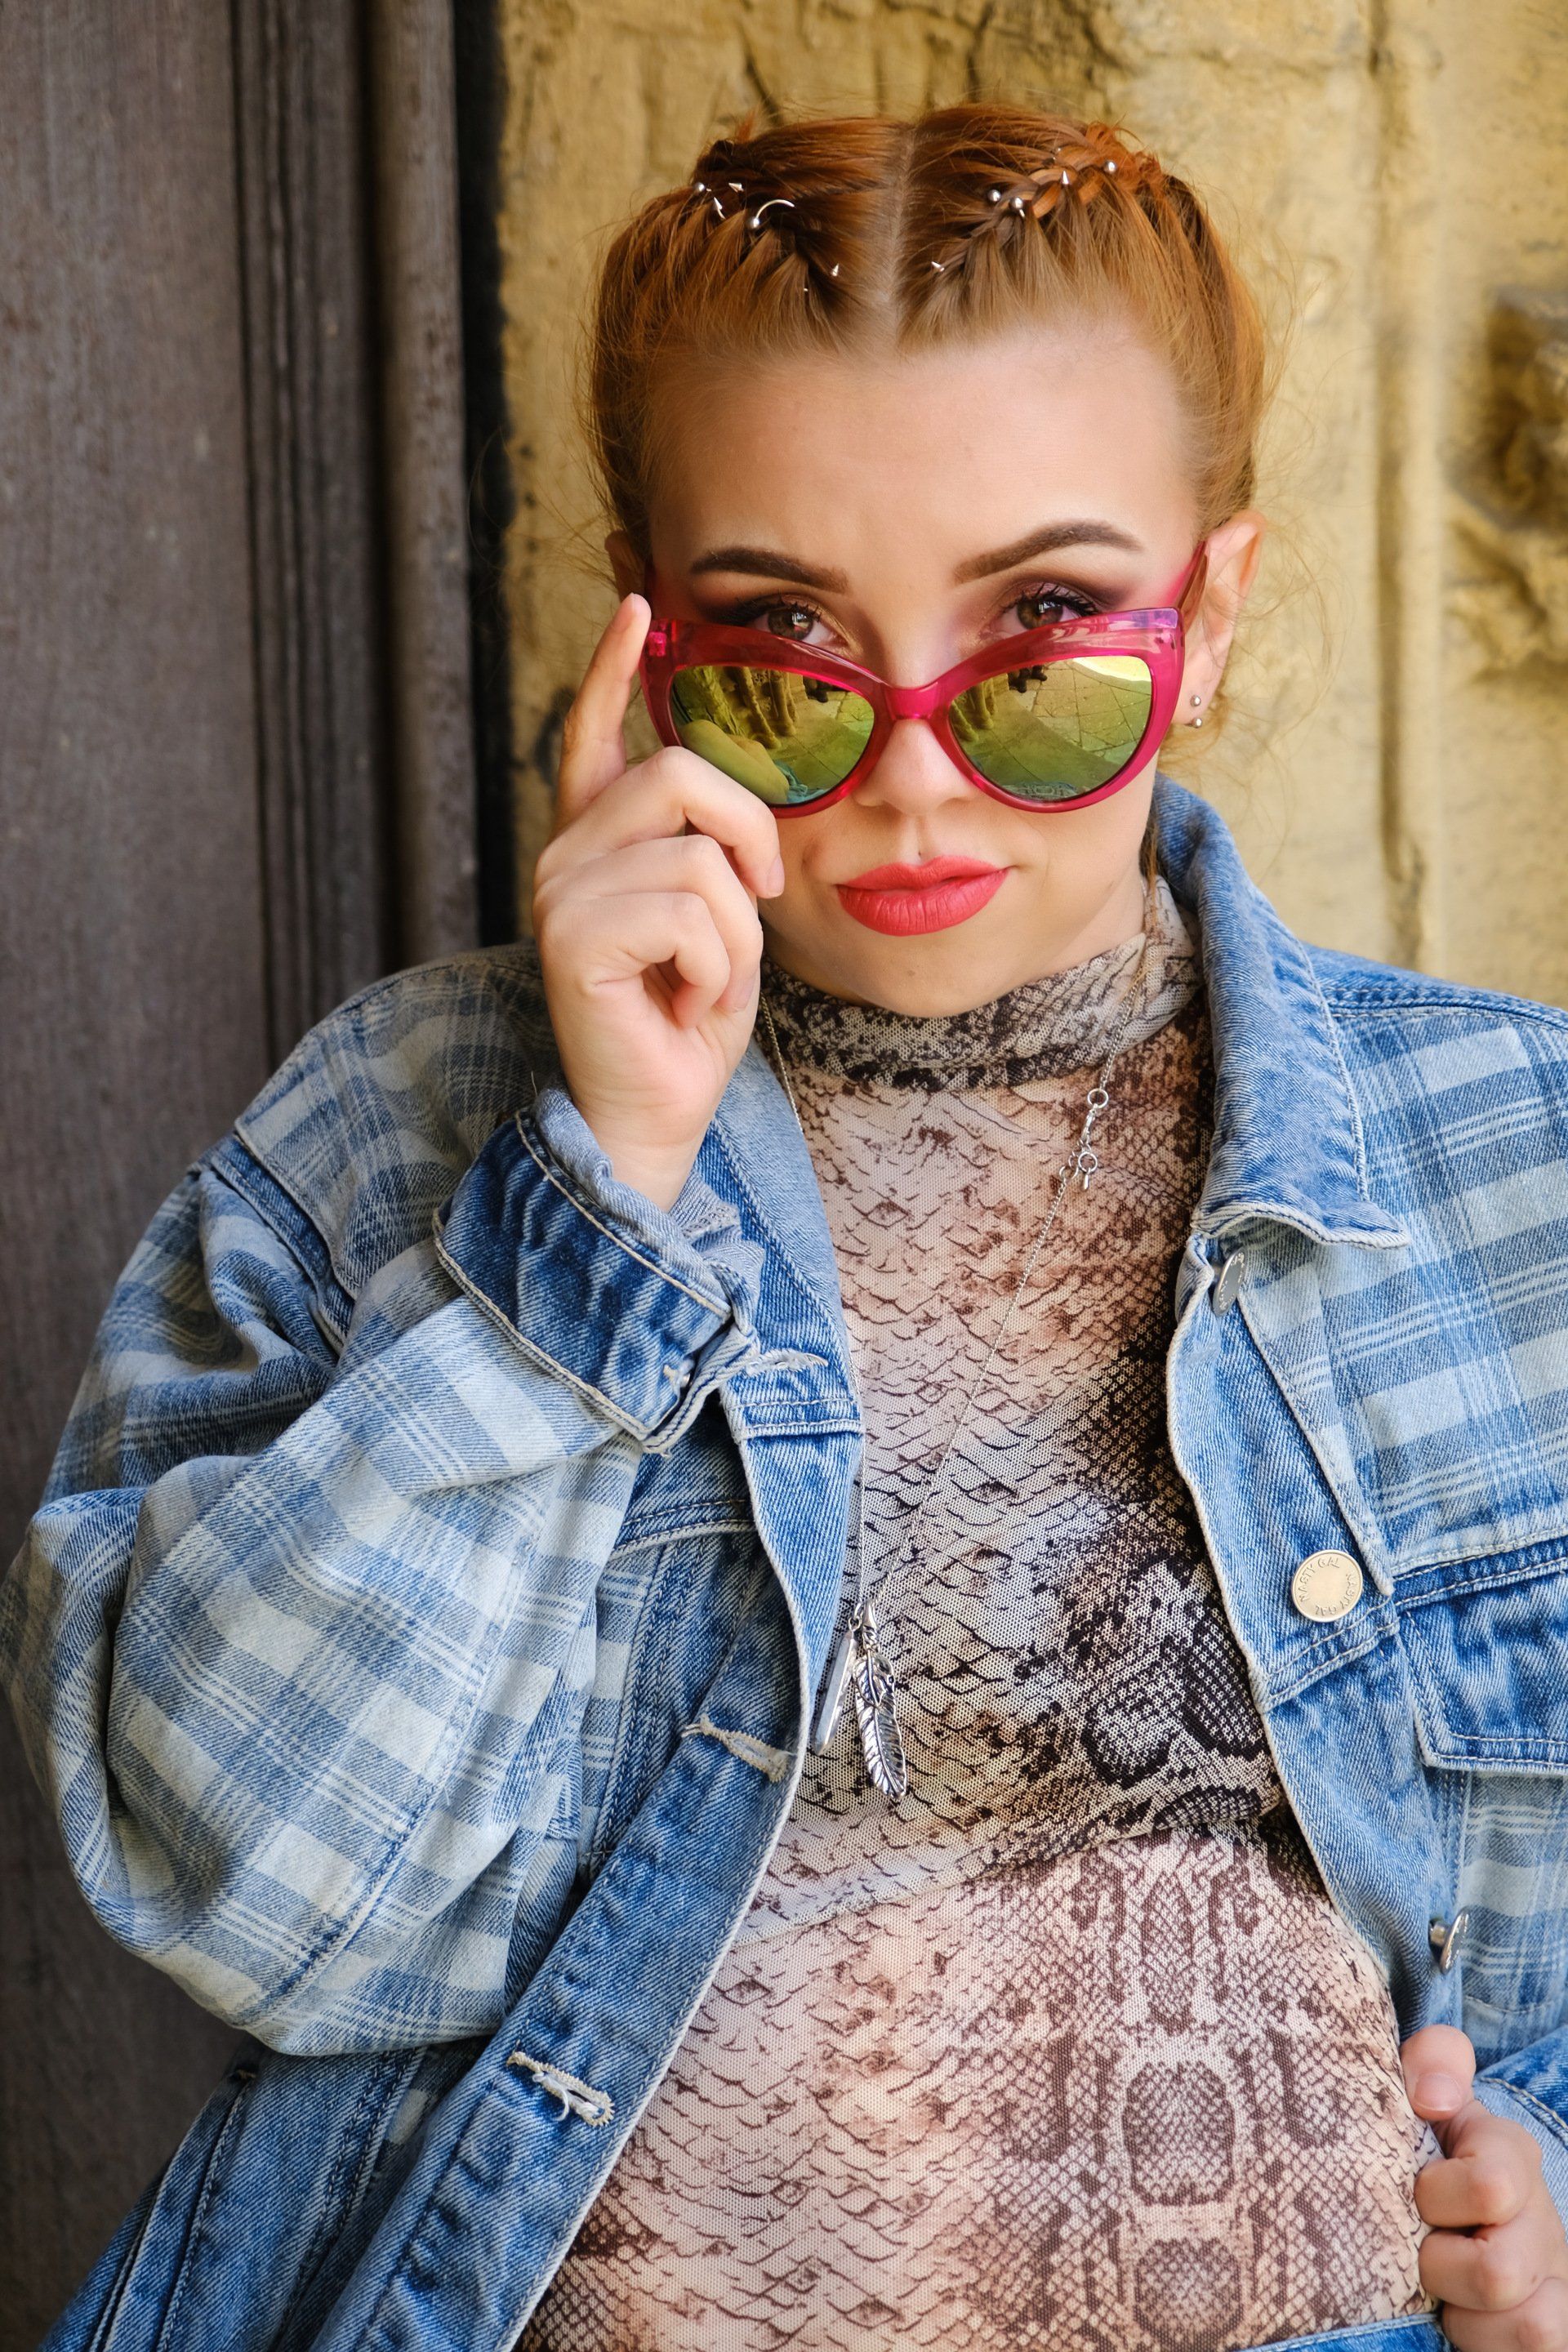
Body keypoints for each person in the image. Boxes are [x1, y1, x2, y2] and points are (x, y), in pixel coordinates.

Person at [7, 101, 1568, 2352]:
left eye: (1042, 642)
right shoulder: (392, 1144)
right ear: (643, 656)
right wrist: (595, 1209)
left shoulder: (1517, 1171)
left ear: (1205, 616)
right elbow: (254, 1897)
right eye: (786, 664)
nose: (918, 776)